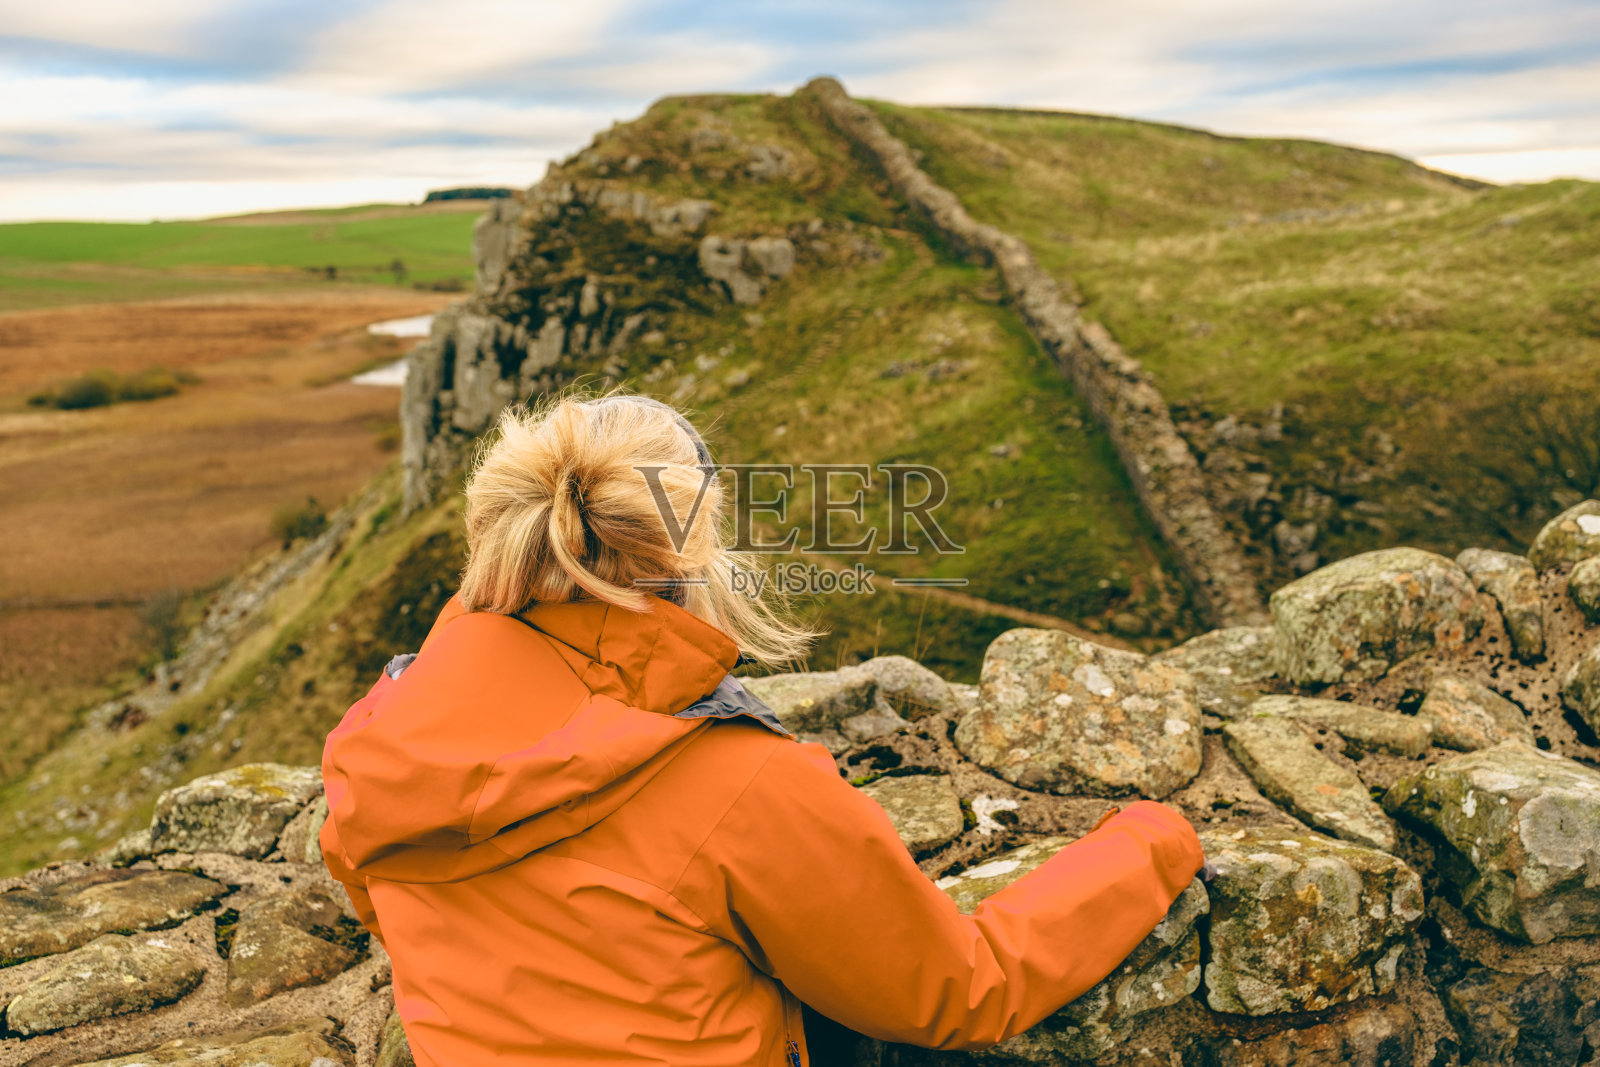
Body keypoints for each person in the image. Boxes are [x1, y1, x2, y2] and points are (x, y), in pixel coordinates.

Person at [320, 391, 1206, 1067]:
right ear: (694, 552)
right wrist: (1154, 840)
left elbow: (383, 901)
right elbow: (960, 989)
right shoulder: (741, 784)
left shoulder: (380, 739)